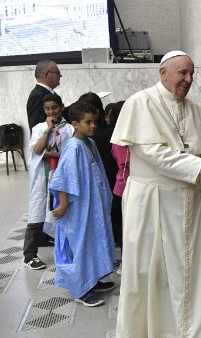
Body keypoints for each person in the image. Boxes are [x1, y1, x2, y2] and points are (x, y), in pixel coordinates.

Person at [110, 50, 201, 337]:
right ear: (163, 73)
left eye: (192, 73)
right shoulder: (140, 103)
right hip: (153, 203)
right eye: (183, 73)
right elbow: (153, 153)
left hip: (191, 200)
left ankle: (196, 330)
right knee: (152, 272)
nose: (189, 79)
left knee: (195, 270)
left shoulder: (193, 109)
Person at [48, 100, 117, 307]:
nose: (93, 126)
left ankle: (92, 280)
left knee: (92, 243)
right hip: (78, 208)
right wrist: (62, 204)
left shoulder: (90, 142)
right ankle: (80, 289)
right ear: (75, 124)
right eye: (88, 122)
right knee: (79, 245)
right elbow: (61, 179)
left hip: (91, 206)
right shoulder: (73, 147)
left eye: (95, 122)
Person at [23, 93, 74, 270]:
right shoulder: (38, 128)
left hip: (61, 176)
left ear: (61, 107)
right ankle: (29, 255)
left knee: (61, 211)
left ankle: (66, 249)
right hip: (43, 177)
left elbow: (70, 153)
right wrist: (48, 130)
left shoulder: (69, 129)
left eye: (54, 107)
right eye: (47, 108)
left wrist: (52, 154)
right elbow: (37, 150)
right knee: (37, 211)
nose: (51, 111)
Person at [109, 101, 127, 247]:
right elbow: (124, 162)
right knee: (125, 228)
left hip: (124, 186)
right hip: (124, 187)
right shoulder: (121, 140)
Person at [27, 60, 63, 129]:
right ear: (47, 74)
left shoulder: (47, 92)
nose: (60, 76)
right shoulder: (37, 96)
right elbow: (36, 127)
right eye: (57, 72)